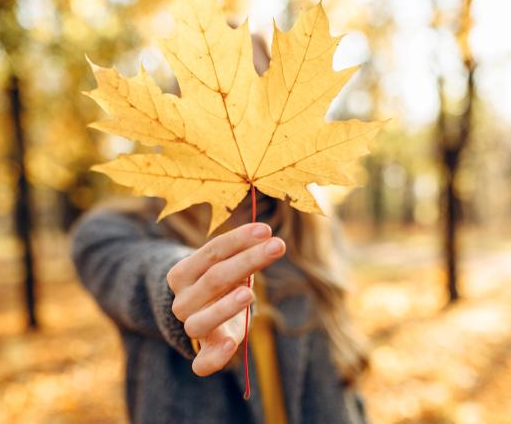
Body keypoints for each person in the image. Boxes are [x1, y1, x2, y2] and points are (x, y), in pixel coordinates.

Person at [71, 35, 369, 424]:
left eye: (255, 89)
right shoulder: (119, 231)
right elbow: (142, 273)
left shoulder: (315, 235)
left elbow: (346, 384)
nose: (236, 113)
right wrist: (187, 291)